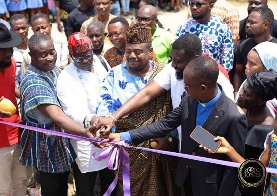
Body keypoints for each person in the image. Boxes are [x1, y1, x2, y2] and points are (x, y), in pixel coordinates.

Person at [107, 56, 247, 196]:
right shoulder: (189, 100)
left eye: (187, 85)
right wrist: (124, 136)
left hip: (212, 188)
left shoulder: (233, 116)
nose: (184, 88)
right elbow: (165, 124)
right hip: (187, 177)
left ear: (203, 88)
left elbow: (233, 167)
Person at [96, 34, 234, 152]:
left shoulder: (220, 84)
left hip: (211, 166)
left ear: (195, 58)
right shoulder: (174, 73)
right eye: (171, 59)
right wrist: (115, 121)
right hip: (185, 159)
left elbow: (222, 135)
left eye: (177, 61)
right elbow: (148, 94)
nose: (172, 64)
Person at [96, 26, 178, 196]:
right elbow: (104, 107)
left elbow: (174, 110)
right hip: (126, 148)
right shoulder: (114, 75)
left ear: (150, 51)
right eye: (129, 51)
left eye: (138, 52)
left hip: (158, 146)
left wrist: (170, 137)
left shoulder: (164, 74)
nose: (132, 56)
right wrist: (104, 132)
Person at [19, 33, 95, 196]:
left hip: (60, 144)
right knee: (52, 189)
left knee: (61, 184)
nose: (49, 58)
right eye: (43, 55)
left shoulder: (52, 71)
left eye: (52, 52)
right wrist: (85, 132)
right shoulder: (33, 81)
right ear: (31, 55)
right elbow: (57, 116)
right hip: (46, 148)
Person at [201, 70, 277, 196]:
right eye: (242, 89)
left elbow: (257, 176)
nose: (240, 94)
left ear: (260, 101)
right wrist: (226, 149)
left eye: (246, 93)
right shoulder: (243, 110)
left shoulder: (266, 130)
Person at [57, 32, 115, 196]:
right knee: (85, 188)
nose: (85, 60)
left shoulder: (101, 61)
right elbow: (68, 110)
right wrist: (90, 119)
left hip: (107, 134)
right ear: (71, 55)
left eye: (88, 55)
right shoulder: (65, 78)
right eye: (79, 58)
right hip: (85, 138)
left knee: (109, 182)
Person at [0, 23, 27, 195]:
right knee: (2, 188)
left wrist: (24, 95)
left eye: (10, 48)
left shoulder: (11, 63)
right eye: (3, 50)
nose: (9, 53)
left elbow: (9, 87)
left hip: (17, 131)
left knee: (20, 183)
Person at [176, 0, 233, 71]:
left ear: (211, 6)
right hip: (185, 77)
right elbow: (176, 55)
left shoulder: (222, 28)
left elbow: (227, 63)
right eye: (192, 3)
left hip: (212, 78)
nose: (194, 7)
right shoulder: (184, 27)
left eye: (199, 4)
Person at [233, 6, 277, 99]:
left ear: (266, 25)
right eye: (248, 21)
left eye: (252, 22)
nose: (247, 25)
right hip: (246, 94)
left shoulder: (275, 48)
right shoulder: (242, 45)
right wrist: (236, 92)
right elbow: (238, 72)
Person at [10, 14, 29, 84]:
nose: (21, 31)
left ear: (28, 28)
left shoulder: (36, 47)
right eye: (17, 29)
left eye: (24, 28)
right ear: (11, 31)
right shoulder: (9, 53)